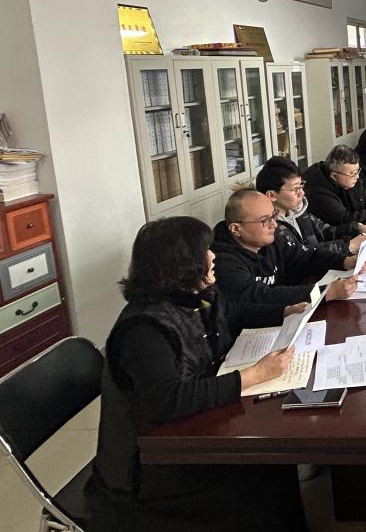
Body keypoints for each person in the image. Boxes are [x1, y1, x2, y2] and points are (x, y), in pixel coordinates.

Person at [85, 217, 310, 531]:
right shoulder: (143, 329)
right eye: (204, 251)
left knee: (274, 464)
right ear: (180, 264)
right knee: (263, 472)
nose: (213, 256)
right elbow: (166, 401)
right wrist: (253, 375)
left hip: (192, 430)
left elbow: (232, 313)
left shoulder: (193, 297)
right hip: (151, 469)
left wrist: (284, 312)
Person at [211, 188, 359, 303]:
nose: (274, 224)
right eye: (265, 220)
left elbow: (306, 257)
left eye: (273, 216)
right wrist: (324, 293)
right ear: (236, 229)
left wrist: (344, 261)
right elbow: (263, 297)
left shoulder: (272, 239)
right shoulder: (221, 262)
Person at [256, 155, 366, 256]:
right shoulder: (269, 228)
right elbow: (302, 255)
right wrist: (349, 246)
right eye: (295, 189)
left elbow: (325, 231)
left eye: (301, 185)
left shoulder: (298, 211)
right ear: (271, 195)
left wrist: (359, 228)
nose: (302, 193)